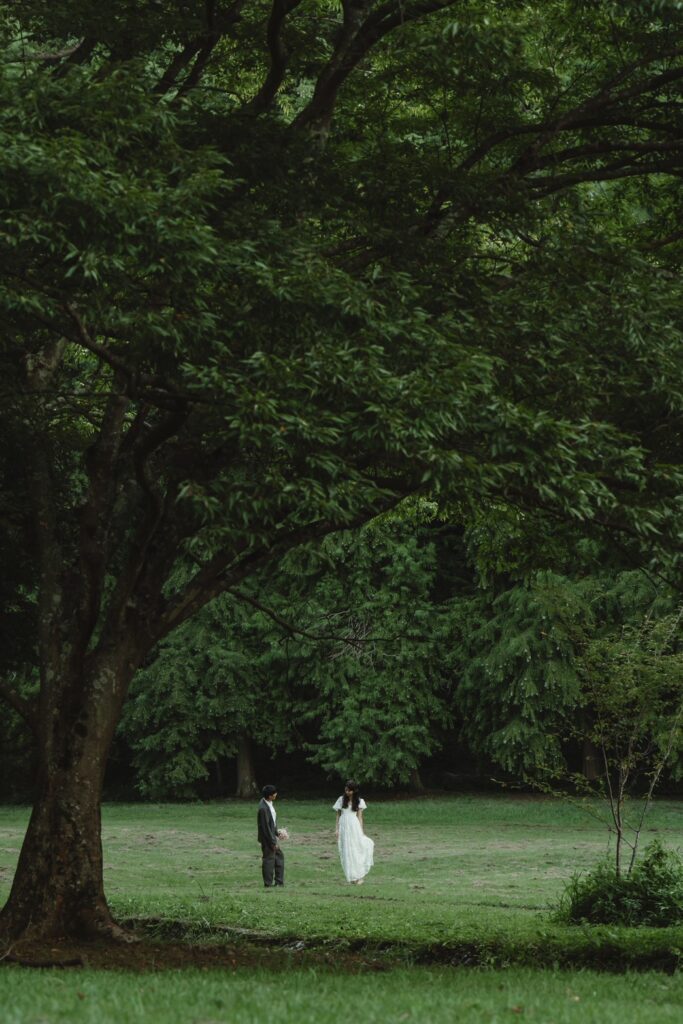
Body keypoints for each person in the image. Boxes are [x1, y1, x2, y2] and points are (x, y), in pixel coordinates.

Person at [333, 779, 374, 885]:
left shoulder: (359, 801)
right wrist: (336, 829)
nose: (347, 792)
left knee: (355, 849)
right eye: (346, 790)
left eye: (349, 791)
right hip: (344, 827)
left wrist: (361, 831)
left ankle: (359, 876)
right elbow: (338, 815)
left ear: (354, 791)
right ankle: (351, 876)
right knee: (346, 851)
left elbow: (360, 817)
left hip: (353, 826)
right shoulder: (341, 800)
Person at [257, 784, 285, 888]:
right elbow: (265, 828)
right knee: (269, 860)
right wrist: (273, 842)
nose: (276, 795)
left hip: (272, 837)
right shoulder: (263, 808)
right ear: (269, 796)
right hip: (267, 839)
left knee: (278, 857)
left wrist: (278, 832)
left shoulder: (269, 803)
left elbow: (272, 822)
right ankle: (268, 884)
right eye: (274, 794)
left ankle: (279, 882)